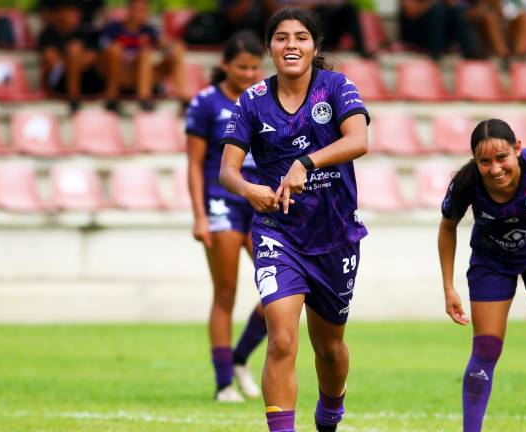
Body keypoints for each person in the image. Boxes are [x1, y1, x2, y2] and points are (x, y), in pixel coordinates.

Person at [219, 8, 370, 432]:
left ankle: (330, 413)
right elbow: (227, 171)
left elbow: (359, 140)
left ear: (314, 47)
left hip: (335, 234)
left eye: (301, 37)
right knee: (281, 338)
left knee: (329, 347)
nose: (291, 45)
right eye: (281, 38)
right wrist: (249, 189)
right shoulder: (251, 101)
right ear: (270, 48)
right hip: (277, 233)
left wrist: (307, 161)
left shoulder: (336, 87)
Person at [437, 118, 526, 432]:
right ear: (475, 161)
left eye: (502, 157)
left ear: (517, 148)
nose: (495, 168)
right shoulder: (466, 183)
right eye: (484, 161)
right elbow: (447, 227)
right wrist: (448, 286)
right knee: (486, 347)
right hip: (492, 261)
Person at [185, 31, 269, 403]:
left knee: (277, 289)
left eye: (255, 67)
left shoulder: (266, 99)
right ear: (225, 65)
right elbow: (193, 164)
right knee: (226, 292)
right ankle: (223, 384)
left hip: (261, 201)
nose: (250, 74)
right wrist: (199, 216)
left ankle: (239, 358)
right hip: (221, 201)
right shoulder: (205, 103)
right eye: (242, 67)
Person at [99, 0, 189, 112]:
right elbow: (103, 48)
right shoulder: (114, 28)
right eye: (138, 10)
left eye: (144, 10)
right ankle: (142, 97)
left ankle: (185, 99)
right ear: (129, 10)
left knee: (173, 53)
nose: (141, 14)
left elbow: (165, 43)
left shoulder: (150, 29)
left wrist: (173, 47)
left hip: (145, 74)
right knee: (142, 53)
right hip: (121, 73)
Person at [37, 0, 104, 112]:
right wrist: (74, 60)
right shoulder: (48, 34)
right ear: (59, 14)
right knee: (74, 49)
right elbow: (52, 60)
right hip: (61, 82)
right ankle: (73, 97)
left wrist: (73, 61)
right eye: (68, 13)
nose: (72, 17)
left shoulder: (85, 33)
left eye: (75, 13)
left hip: (86, 79)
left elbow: (93, 57)